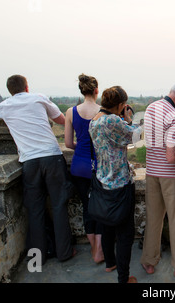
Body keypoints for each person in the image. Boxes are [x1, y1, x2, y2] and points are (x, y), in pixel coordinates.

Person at [0, 74, 75, 264]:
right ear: (27, 87)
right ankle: (64, 253)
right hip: (51, 156)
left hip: (30, 161)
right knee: (59, 205)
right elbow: (60, 119)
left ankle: (38, 257)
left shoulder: (5, 106)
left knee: (35, 209)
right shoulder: (39, 98)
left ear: (10, 91)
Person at [140, 80, 175, 278]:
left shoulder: (151, 107)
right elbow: (172, 157)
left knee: (153, 218)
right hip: (170, 176)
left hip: (151, 172)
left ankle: (149, 260)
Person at [89, 86, 141, 283]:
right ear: (120, 105)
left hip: (102, 179)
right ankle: (124, 278)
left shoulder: (95, 120)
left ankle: (110, 262)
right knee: (125, 233)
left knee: (107, 225)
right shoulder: (112, 120)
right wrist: (129, 120)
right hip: (119, 181)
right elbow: (135, 137)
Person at [65, 74, 104, 263]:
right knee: (102, 207)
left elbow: (67, 143)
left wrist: (81, 147)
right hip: (100, 166)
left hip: (79, 165)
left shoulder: (71, 112)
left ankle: (94, 249)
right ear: (97, 90)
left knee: (87, 208)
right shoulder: (104, 112)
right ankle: (100, 250)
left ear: (82, 90)